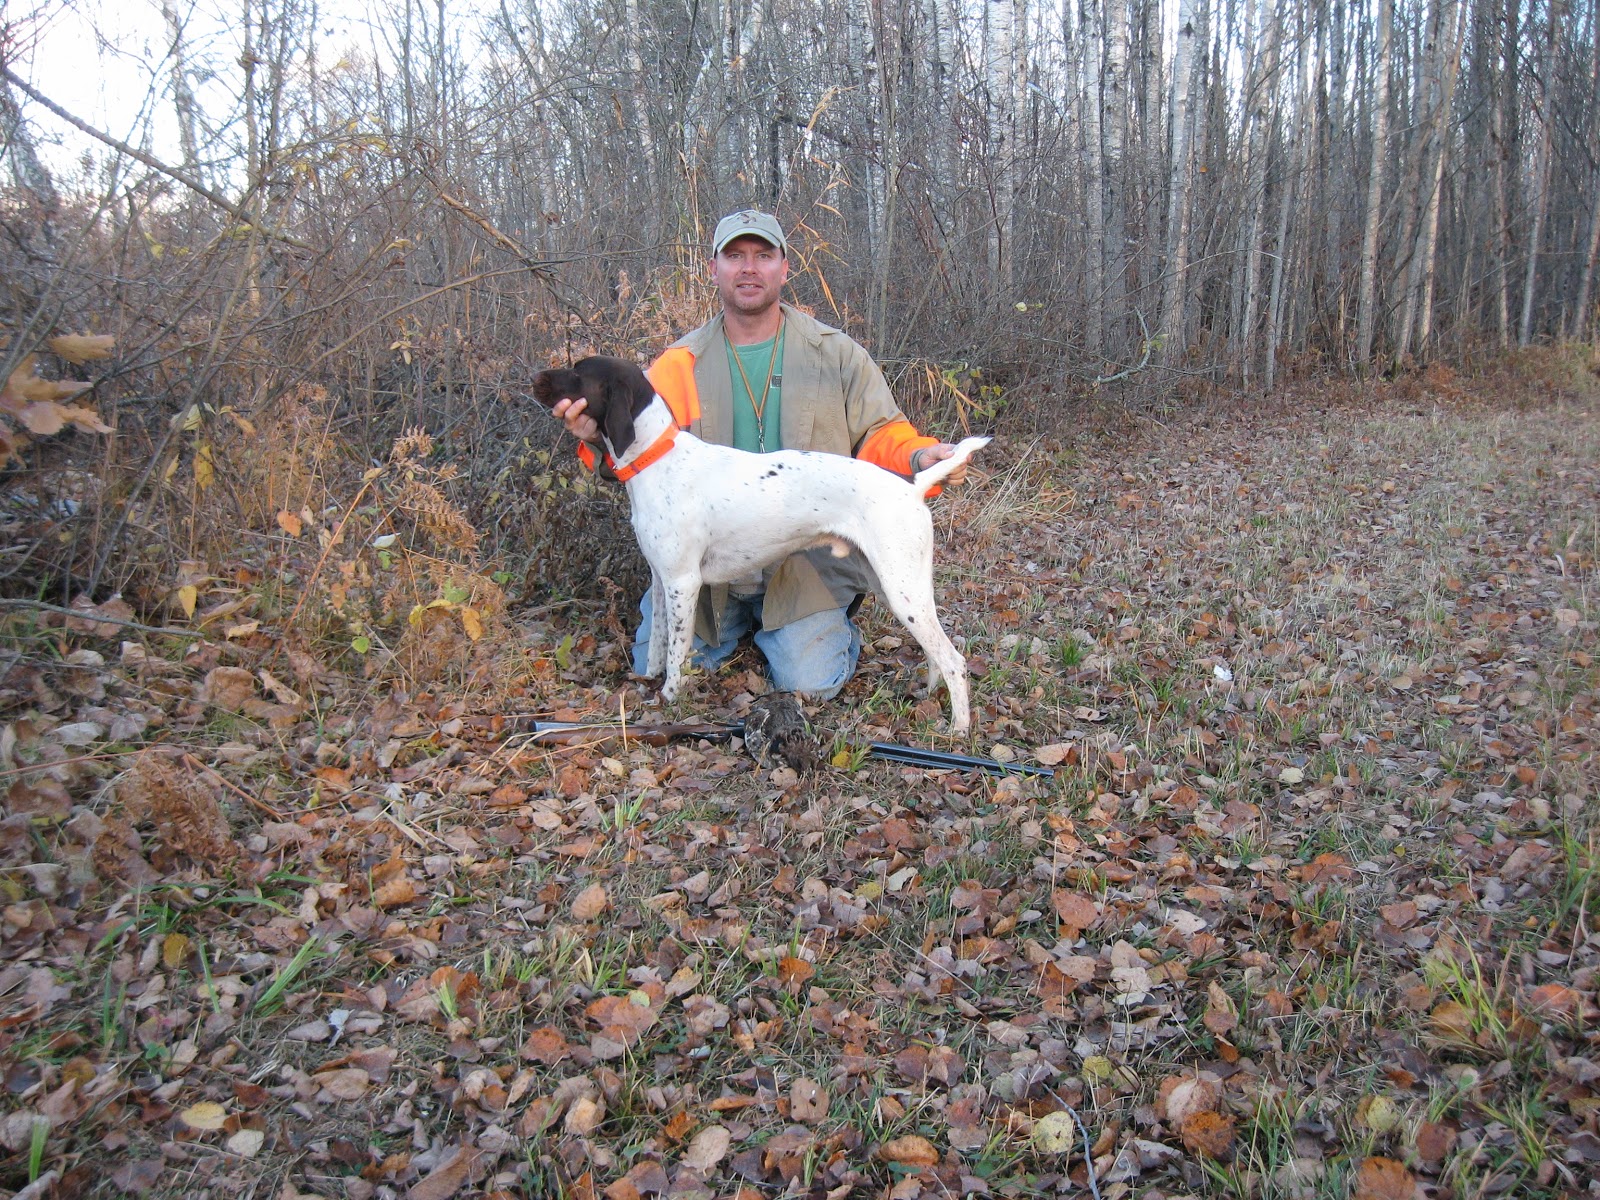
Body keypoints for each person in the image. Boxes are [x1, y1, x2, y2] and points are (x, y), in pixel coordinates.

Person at [552, 208, 971, 699]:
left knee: (808, 683)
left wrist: (922, 457)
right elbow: (638, 457)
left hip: (803, 566)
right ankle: (738, 631)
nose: (748, 268)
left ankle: (826, 631)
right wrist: (593, 436)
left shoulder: (834, 353)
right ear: (713, 268)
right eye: (734, 256)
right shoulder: (676, 363)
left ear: (784, 268)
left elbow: (881, 432)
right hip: (714, 574)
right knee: (658, 654)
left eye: (762, 255)